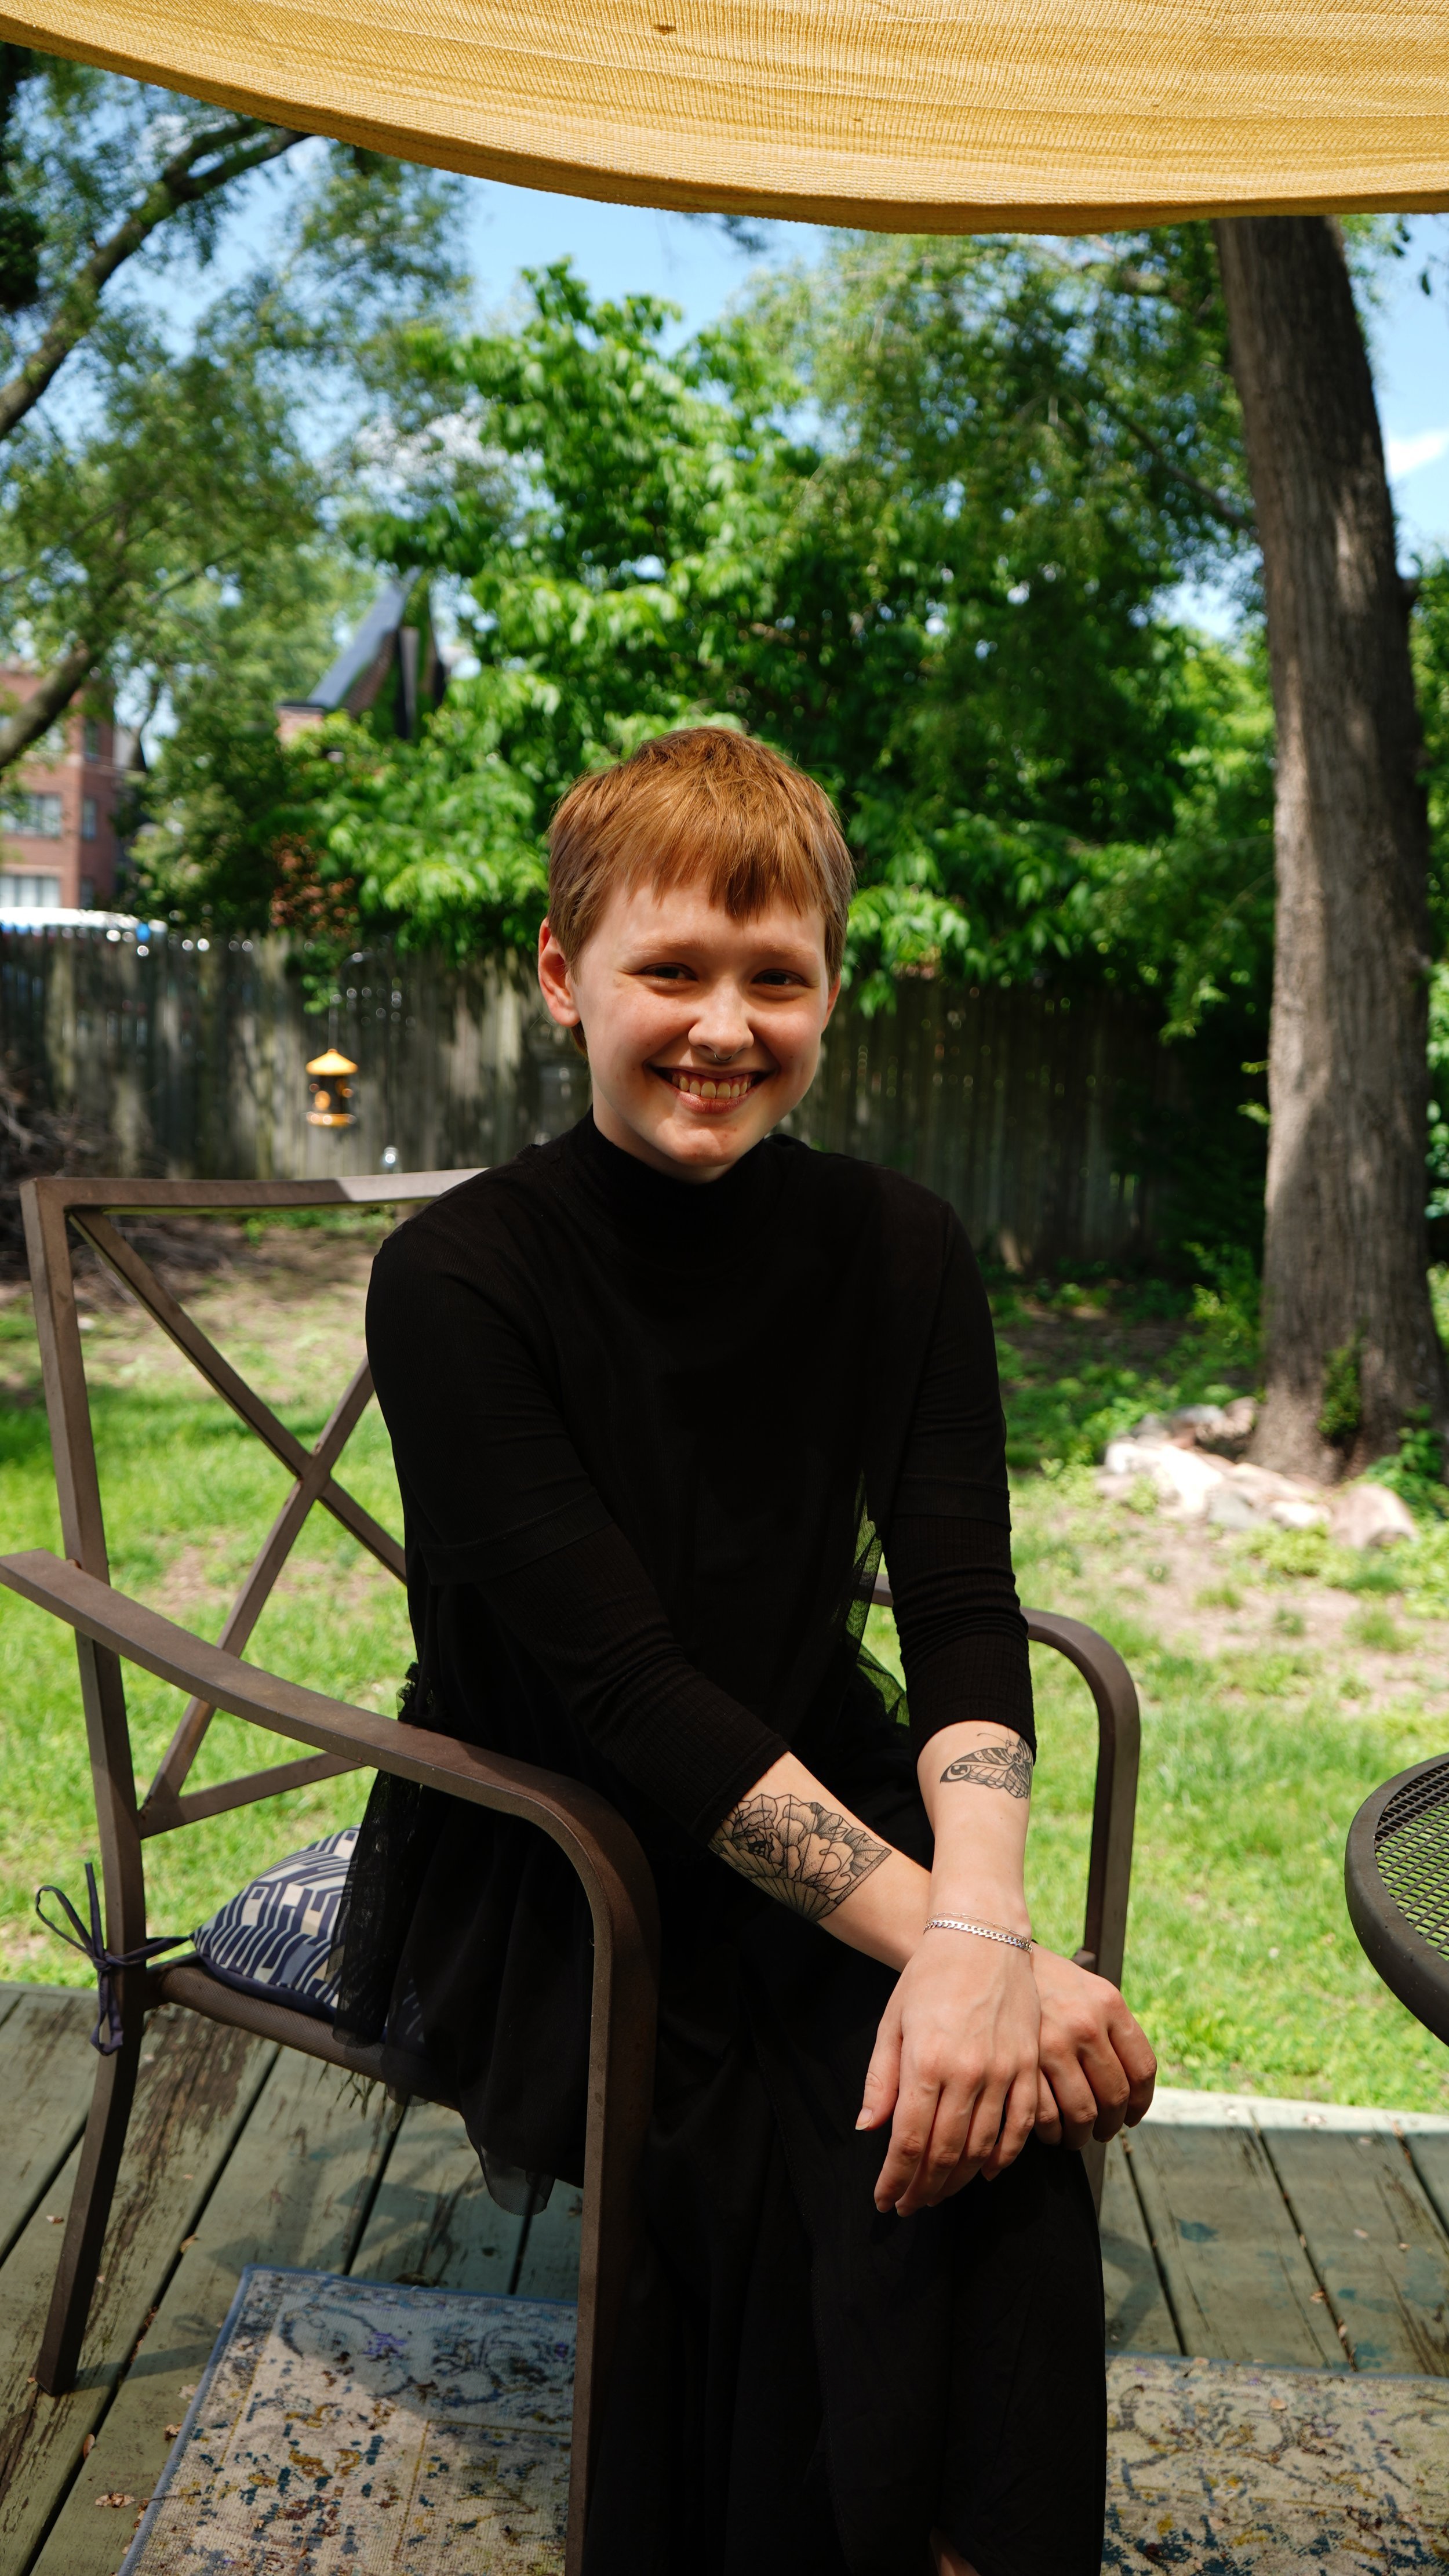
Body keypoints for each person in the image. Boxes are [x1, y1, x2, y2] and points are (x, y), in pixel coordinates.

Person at [336, 726, 1156, 2576]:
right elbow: (623, 1695)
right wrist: (969, 1956)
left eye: (774, 977)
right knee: (789, 2144)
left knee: (991, 2109)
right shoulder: (460, 1276)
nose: (723, 1025)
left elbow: (959, 1608)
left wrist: (982, 1932)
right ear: (565, 977)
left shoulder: (899, 1245)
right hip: (556, 1840)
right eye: (672, 971)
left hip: (814, 1776)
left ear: (831, 994)